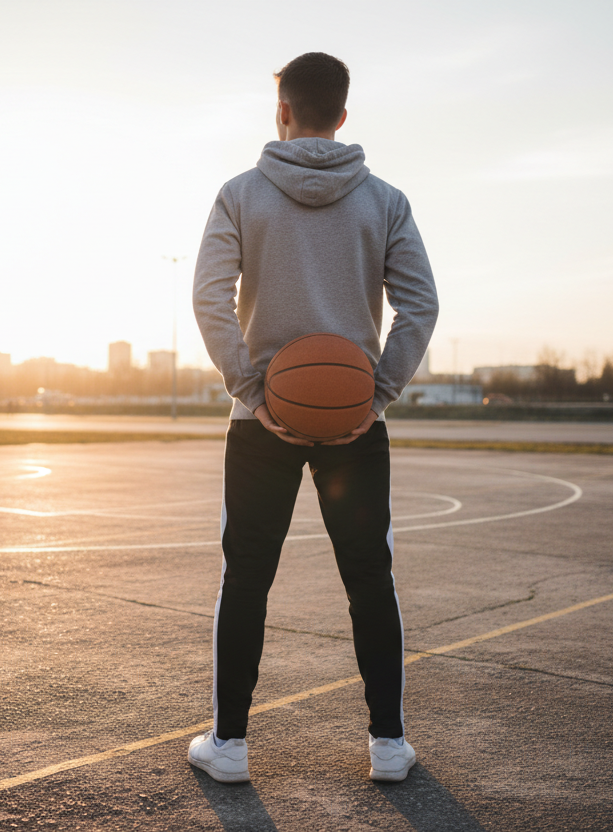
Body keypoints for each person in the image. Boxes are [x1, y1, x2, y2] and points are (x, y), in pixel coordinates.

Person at [188, 52, 439, 784]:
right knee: (371, 578)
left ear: (283, 112)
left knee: (247, 579)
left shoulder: (240, 193)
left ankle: (229, 747)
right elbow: (419, 304)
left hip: (258, 421)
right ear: (343, 116)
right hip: (355, 427)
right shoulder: (385, 199)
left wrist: (253, 389)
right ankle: (388, 746)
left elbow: (209, 299)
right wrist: (378, 393)